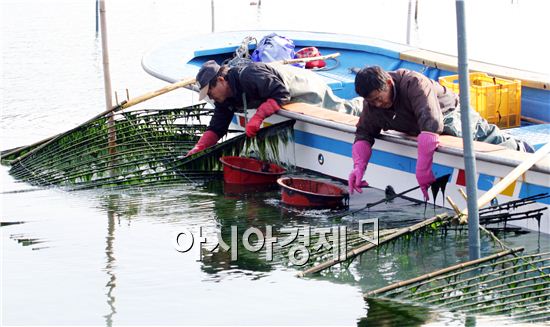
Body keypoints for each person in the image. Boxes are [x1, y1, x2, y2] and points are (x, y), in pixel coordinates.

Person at [348, 65, 533, 200]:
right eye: (372, 102)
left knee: (479, 136)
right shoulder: (372, 104)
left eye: (379, 99)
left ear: (388, 83)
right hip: (415, 126)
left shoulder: (414, 83)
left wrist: (423, 169)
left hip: (450, 114)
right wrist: (358, 167)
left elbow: (431, 126)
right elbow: (364, 133)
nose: (378, 105)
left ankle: (520, 147)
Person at [186, 60, 362, 156]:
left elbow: (281, 93)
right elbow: (218, 125)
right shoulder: (225, 97)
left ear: (221, 80)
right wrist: (198, 148)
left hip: (303, 87)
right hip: (288, 92)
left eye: (209, 91)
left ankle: (365, 103)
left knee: (344, 110)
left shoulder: (249, 75)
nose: (209, 96)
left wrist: (258, 117)